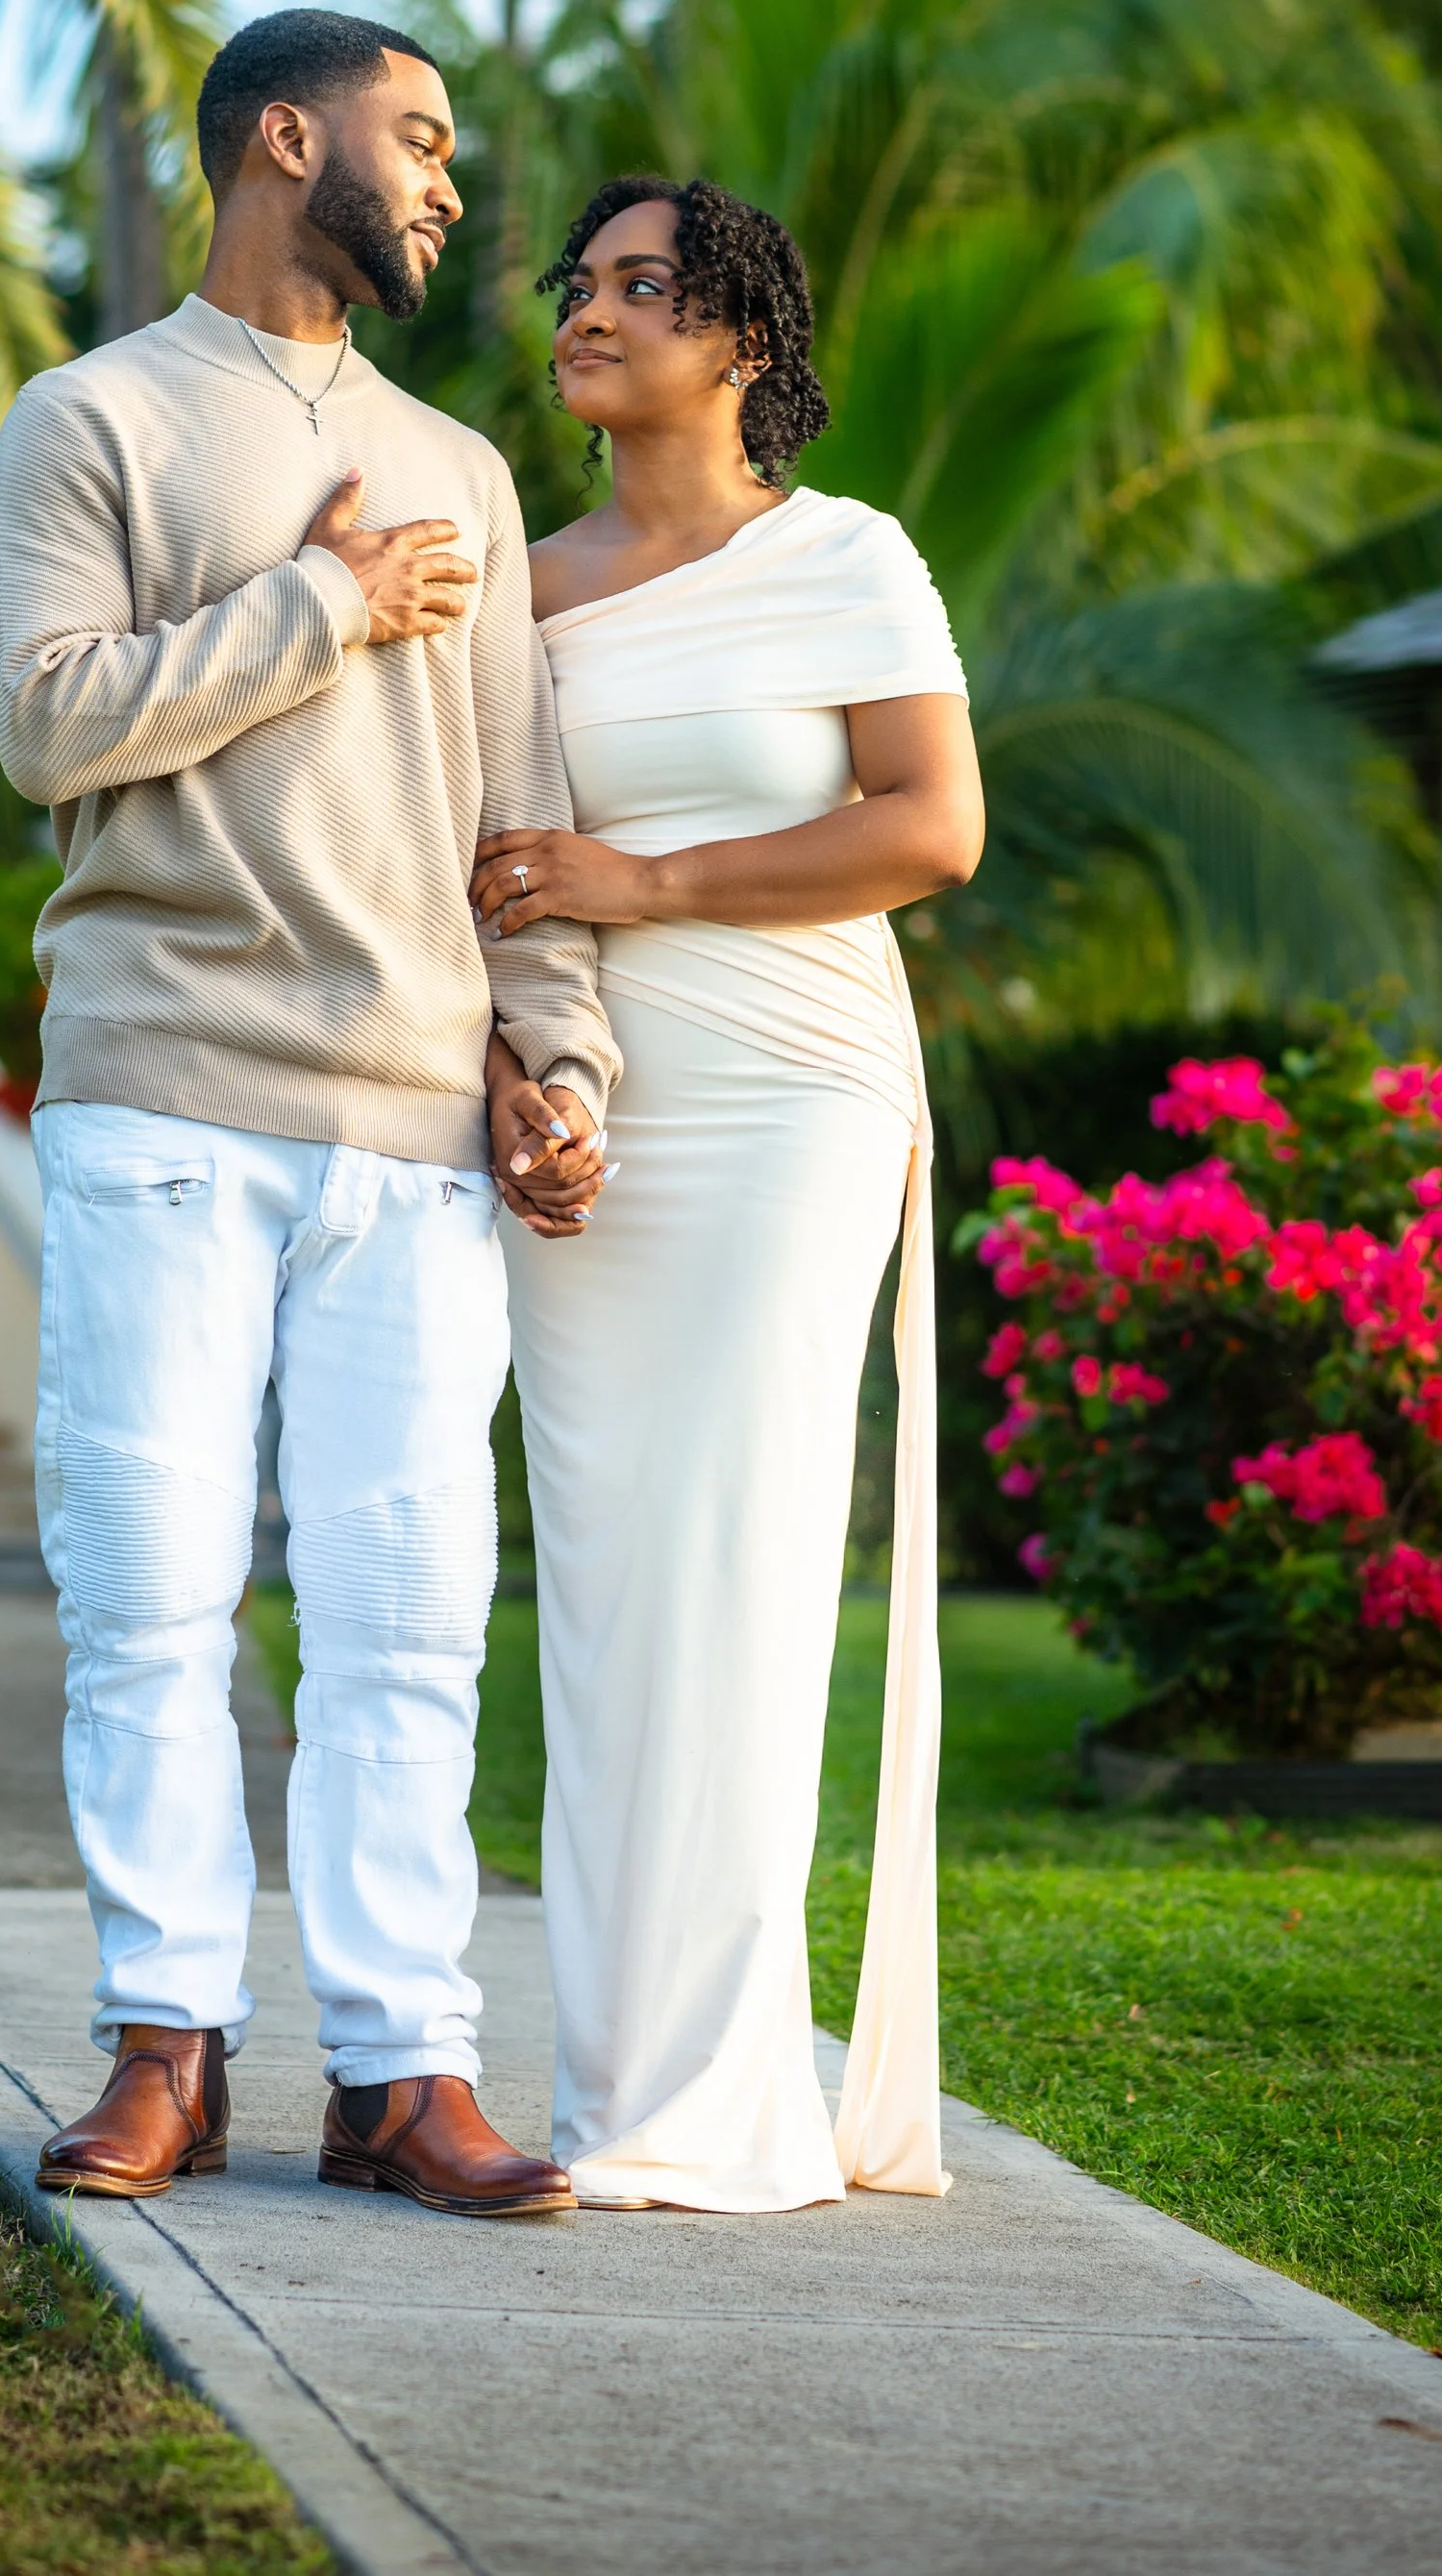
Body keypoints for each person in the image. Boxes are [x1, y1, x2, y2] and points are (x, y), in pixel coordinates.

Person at [0, 9, 619, 2221]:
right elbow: (50, 727)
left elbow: (512, 825)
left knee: (406, 1610)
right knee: (149, 1592)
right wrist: (322, 603)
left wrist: (557, 1057)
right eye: (414, 135)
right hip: (165, 1092)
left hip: (414, 1133)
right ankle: (167, 2044)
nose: (444, 183)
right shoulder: (90, 421)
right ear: (282, 134)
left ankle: (398, 2075)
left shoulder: (469, 464)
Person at [474, 177, 982, 2212]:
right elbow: (482, 878)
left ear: (741, 340)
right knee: (602, 1585)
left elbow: (929, 827)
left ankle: (718, 2099)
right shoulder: (512, 584)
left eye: (638, 287)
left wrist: (655, 881)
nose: (587, 315)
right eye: (577, 286)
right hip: (592, 1121)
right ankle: (628, 2088)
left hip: (792, 1098)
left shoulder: (848, 557)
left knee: (746, 1568)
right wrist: (517, 1082)